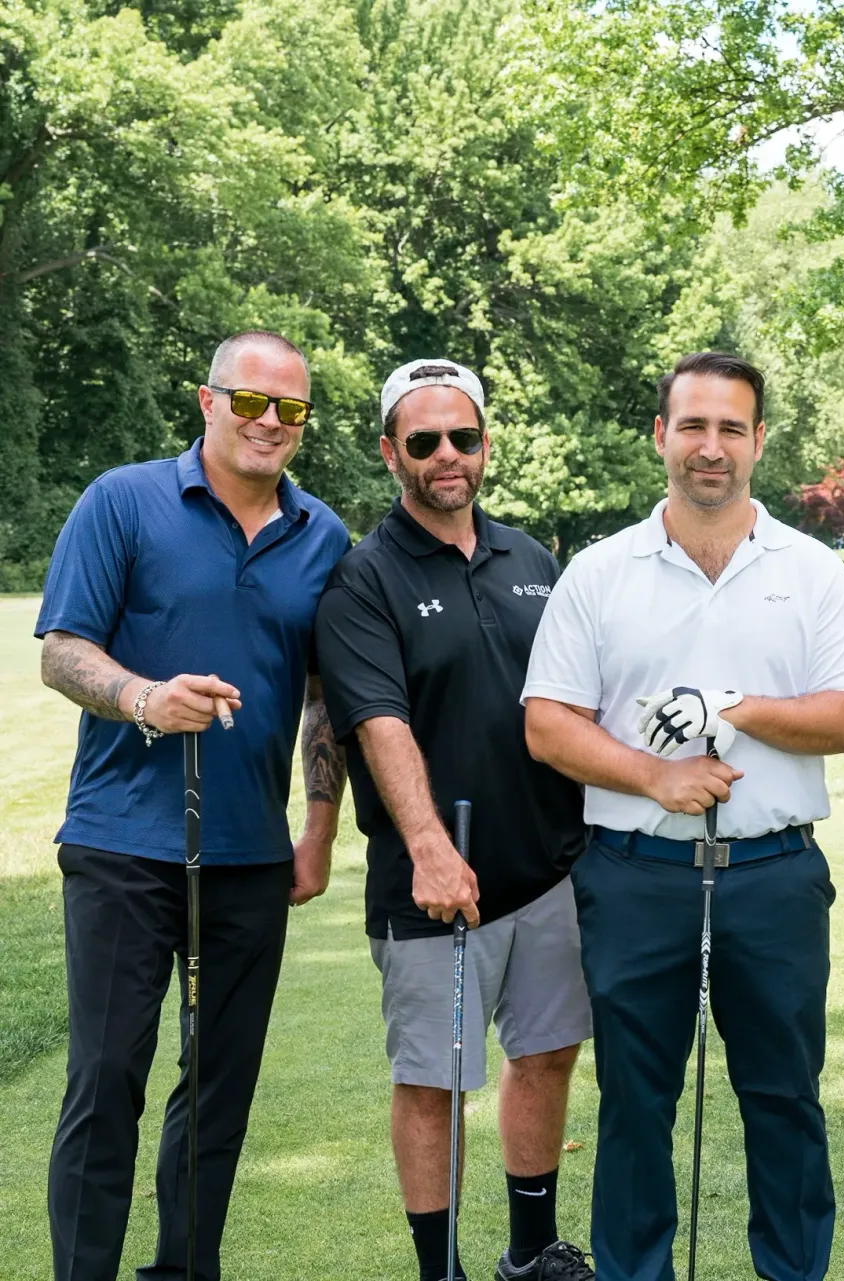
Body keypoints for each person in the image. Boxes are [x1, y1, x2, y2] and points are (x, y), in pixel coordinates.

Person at [521, 351, 844, 1281]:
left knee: (784, 1097)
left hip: (774, 872)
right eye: (693, 426)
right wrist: (654, 775)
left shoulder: (811, 570)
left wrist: (734, 707)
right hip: (637, 874)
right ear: (661, 437)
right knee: (636, 1101)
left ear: (759, 441)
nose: (710, 446)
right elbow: (548, 723)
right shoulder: (599, 573)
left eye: (730, 428)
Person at [36, 330, 350, 1281]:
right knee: (105, 1080)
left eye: (289, 409)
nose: (268, 422)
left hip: (250, 856)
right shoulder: (122, 499)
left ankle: (185, 1270)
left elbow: (324, 694)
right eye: (249, 401)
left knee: (219, 1092)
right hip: (121, 845)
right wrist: (143, 698)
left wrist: (319, 827)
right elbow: (61, 649)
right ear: (207, 401)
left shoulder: (323, 534)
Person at [314, 359, 594, 1281]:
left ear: (484, 445)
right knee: (434, 1082)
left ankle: (527, 1251)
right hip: (435, 885)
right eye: (424, 439)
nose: (446, 455)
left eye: (462, 438)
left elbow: (574, 703)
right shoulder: (363, 577)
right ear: (391, 450)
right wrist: (430, 849)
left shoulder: (532, 561)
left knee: (547, 1054)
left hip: (547, 869)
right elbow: (377, 722)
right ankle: (440, 1272)